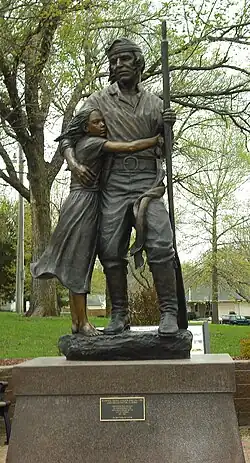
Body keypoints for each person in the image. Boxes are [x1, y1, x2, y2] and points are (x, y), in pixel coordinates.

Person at [60, 37, 188, 337]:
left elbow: (168, 150)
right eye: (114, 61)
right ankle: (119, 314)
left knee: (160, 243)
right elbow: (68, 137)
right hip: (114, 183)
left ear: (139, 64)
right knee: (110, 249)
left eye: (124, 60)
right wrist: (75, 165)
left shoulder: (157, 104)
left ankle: (168, 312)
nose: (118, 66)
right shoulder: (98, 100)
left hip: (148, 183)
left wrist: (169, 128)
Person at [31, 107, 161, 336]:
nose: (102, 125)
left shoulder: (79, 143)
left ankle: (77, 321)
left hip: (78, 202)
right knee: (80, 263)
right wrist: (155, 140)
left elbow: (67, 144)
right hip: (85, 205)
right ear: (86, 127)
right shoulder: (92, 144)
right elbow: (128, 147)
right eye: (97, 122)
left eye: (103, 121)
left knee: (76, 264)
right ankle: (82, 323)